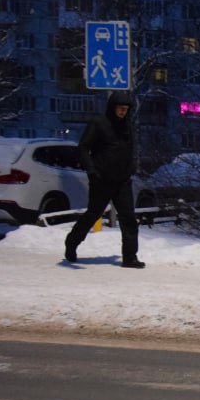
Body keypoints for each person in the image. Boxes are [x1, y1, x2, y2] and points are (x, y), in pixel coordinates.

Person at [64, 90, 144, 268]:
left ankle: (130, 257)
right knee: (93, 214)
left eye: (126, 109)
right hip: (101, 178)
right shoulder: (98, 123)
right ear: (112, 107)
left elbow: (128, 148)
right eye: (120, 108)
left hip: (122, 180)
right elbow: (83, 147)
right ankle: (72, 243)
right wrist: (91, 169)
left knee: (128, 217)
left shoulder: (127, 126)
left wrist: (131, 166)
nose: (123, 112)